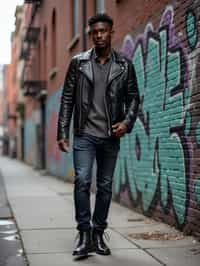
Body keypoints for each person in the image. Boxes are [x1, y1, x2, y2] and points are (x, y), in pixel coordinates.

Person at [57, 13, 140, 257]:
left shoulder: (125, 65)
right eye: (94, 32)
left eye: (103, 31)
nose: (99, 35)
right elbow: (67, 99)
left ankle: (98, 233)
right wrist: (62, 131)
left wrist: (126, 123)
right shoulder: (78, 63)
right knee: (82, 181)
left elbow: (133, 98)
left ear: (111, 32)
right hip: (84, 134)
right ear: (90, 34)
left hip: (110, 135)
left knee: (104, 187)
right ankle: (83, 234)